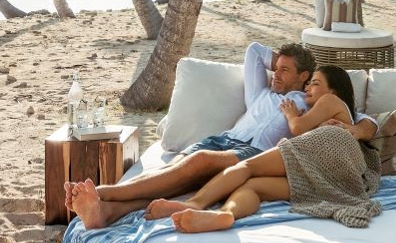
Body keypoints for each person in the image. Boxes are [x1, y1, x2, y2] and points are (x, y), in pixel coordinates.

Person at [67, 43, 376, 229]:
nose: (276, 75)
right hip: (222, 140)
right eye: (276, 68)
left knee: (196, 165)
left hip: (250, 152)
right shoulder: (262, 94)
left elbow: (360, 120)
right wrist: (280, 61)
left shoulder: (309, 102)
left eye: (285, 70)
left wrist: (355, 129)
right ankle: (105, 213)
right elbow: (254, 51)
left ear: (305, 76)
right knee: (174, 177)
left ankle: (105, 191)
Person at [143, 65, 382, 233]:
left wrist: (290, 114)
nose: (308, 88)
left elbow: (298, 129)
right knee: (253, 187)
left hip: (328, 161)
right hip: (329, 180)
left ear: (334, 91)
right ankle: (225, 214)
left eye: (315, 83)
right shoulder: (333, 113)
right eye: (308, 84)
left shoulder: (329, 102)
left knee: (246, 167)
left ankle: (194, 204)